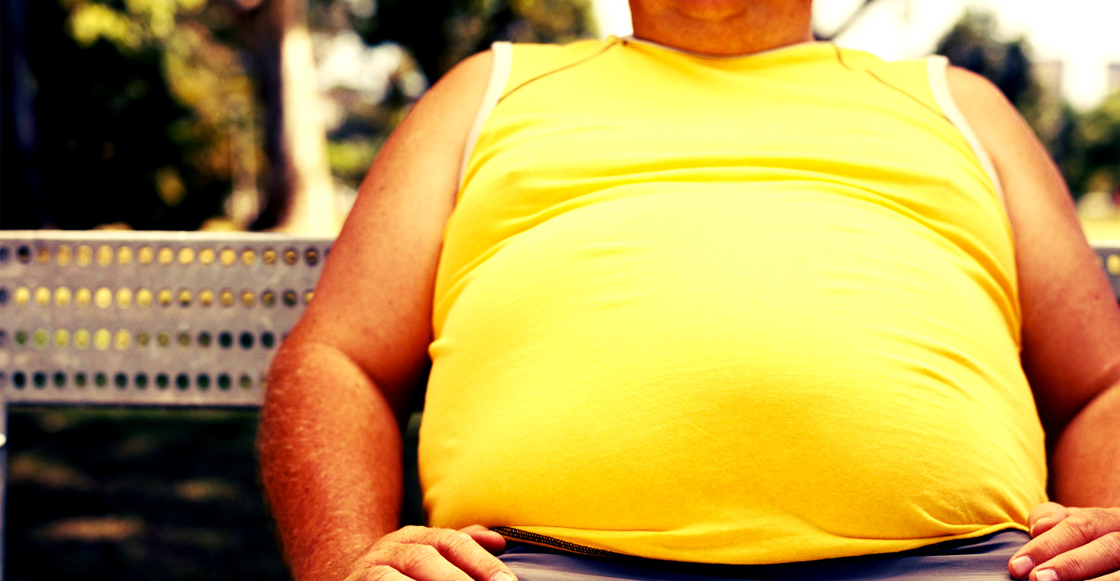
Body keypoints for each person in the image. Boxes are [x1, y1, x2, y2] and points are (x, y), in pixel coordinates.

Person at [257, 1, 1120, 580]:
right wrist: (347, 564)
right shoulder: (488, 89)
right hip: (528, 566)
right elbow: (339, 358)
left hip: (973, 564)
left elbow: (1101, 381)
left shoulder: (957, 103)